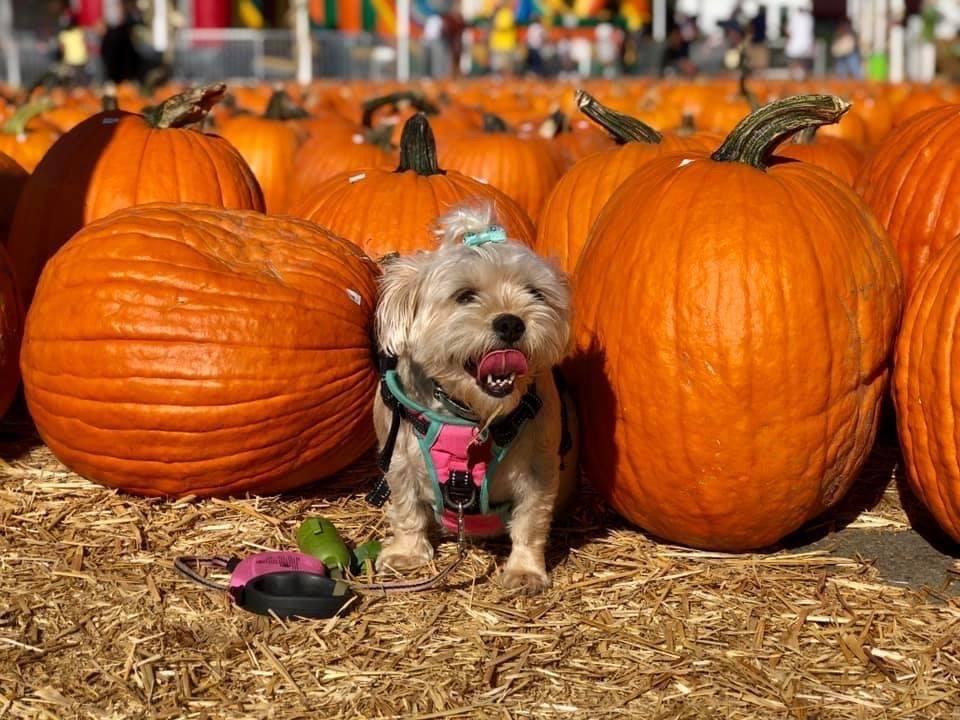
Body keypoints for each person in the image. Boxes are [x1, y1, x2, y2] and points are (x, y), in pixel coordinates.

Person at [784, 6, 814, 80]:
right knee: (804, 63)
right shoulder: (809, 18)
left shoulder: (795, 17)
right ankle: (801, 77)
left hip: (796, 44)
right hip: (805, 44)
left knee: (794, 62)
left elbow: (788, 31)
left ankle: (795, 77)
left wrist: (787, 41)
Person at [489, 0, 517, 75]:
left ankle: (507, 82)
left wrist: (496, 27)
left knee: (507, 65)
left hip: (506, 44)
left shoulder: (508, 13)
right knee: (498, 66)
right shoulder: (497, 14)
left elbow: (503, 26)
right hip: (497, 44)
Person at [441, 0, 466, 79]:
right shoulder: (449, 18)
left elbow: (463, 27)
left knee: (457, 58)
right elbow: (446, 30)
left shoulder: (460, 17)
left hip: (458, 41)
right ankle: (451, 75)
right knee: (450, 59)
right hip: (450, 42)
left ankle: (457, 74)